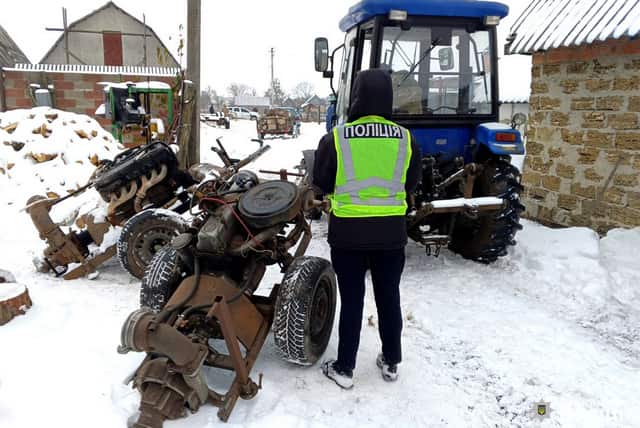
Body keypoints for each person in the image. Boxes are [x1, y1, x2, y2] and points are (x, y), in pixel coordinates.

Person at [313, 69, 422, 389]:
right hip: (390, 236)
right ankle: (391, 362)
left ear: (357, 96)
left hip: (348, 236)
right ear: (389, 97)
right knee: (389, 298)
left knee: (353, 300)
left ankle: (345, 368)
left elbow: (321, 182)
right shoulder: (405, 138)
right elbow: (412, 182)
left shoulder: (337, 137)